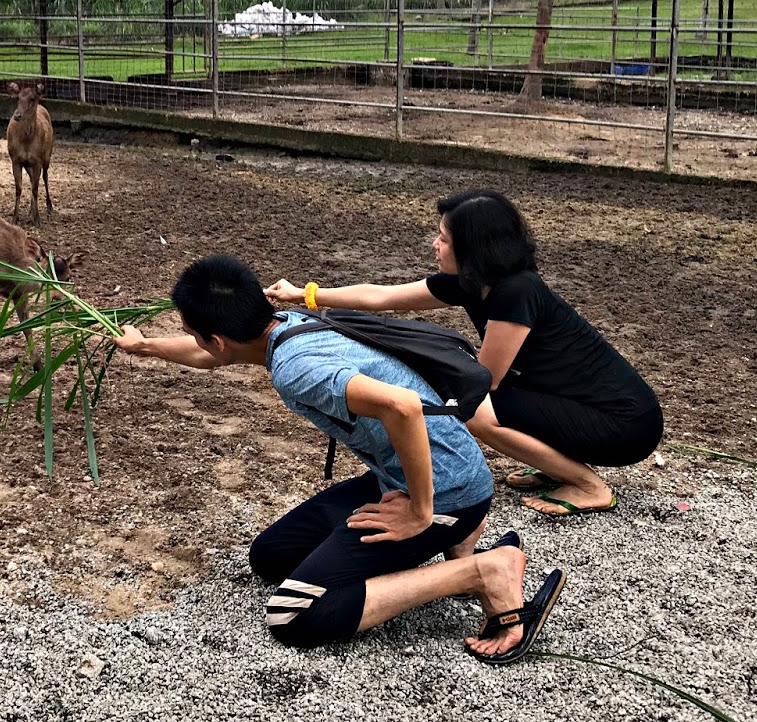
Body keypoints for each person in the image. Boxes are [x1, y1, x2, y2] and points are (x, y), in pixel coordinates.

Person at [115, 254, 566, 661]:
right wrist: (146, 346)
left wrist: (419, 510)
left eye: (197, 334)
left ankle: (482, 569)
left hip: (443, 491)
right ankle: (456, 535)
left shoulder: (297, 369)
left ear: (218, 338)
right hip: (412, 472)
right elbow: (206, 353)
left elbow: (402, 405)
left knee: (294, 614)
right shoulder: (286, 322)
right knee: (271, 558)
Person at [267, 189, 663, 517]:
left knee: (473, 411)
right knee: (480, 402)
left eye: (443, 237)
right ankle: (556, 466)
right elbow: (382, 295)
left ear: (473, 247)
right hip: (579, 404)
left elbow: (485, 380)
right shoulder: (473, 282)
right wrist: (305, 295)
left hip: (625, 426)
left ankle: (587, 485)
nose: (435, 244)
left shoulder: (516, 292)